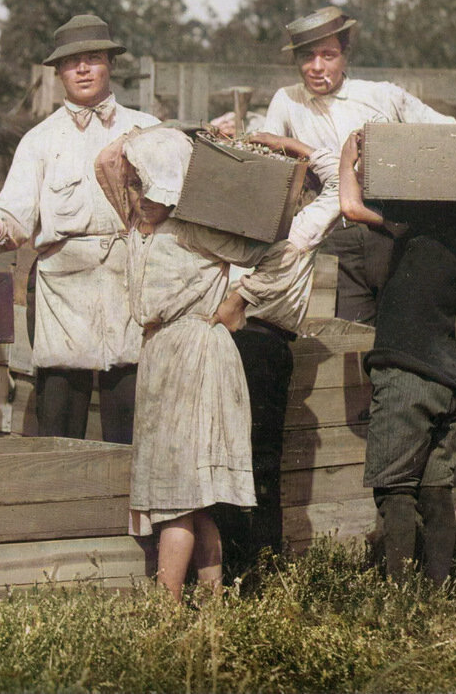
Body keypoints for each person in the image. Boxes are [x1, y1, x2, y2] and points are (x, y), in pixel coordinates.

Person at [94, 125, 300, 602]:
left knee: (178, 497)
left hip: (197, 354)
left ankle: (164, 609)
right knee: (190, 494)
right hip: (161, 355)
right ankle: (213, 603)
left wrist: (239, 299)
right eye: (137, 183)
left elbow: (281, 253)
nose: (142, 195)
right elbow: (107, 161)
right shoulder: (137, 219)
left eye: (152, 184)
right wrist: (164, 135)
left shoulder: (196, 228)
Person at [0, 14, 159, 443]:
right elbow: (15, 211)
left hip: (131, 285)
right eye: (72, 62)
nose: (83, 69)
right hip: (64, 291)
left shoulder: (146, 131)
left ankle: (127, 507)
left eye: (93, 58)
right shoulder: (40, 140)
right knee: (60, 413)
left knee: (131, 411)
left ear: (110, 64)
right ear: (59, 73)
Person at [339, 129, 456, 583]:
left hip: (407, 373)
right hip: (449, 377)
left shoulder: (416, 223)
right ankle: (438, 591)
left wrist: (348, 159)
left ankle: (398, 597)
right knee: (435, 490)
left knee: (395, 489)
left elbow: (351, 206)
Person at [261, 6, 455, 323]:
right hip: (331, 239)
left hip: (389, 231)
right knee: (349, 336)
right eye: (307, 57)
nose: (316, 67)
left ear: (346, 54)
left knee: (404, 325)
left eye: (328, 55)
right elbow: (270, 163)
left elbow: (448, 131)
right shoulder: (287, 100)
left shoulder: (381, 95)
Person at [213, 133, 342, 571]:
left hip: (252, 345)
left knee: (244, 458)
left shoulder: (285, 232)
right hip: (245, 345)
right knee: (253, 458)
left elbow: (337, 184)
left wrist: (264, 140)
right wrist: (282, 143)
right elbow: (338, 179)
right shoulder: (290, 230)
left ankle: (248, 565)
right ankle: (246, 566)